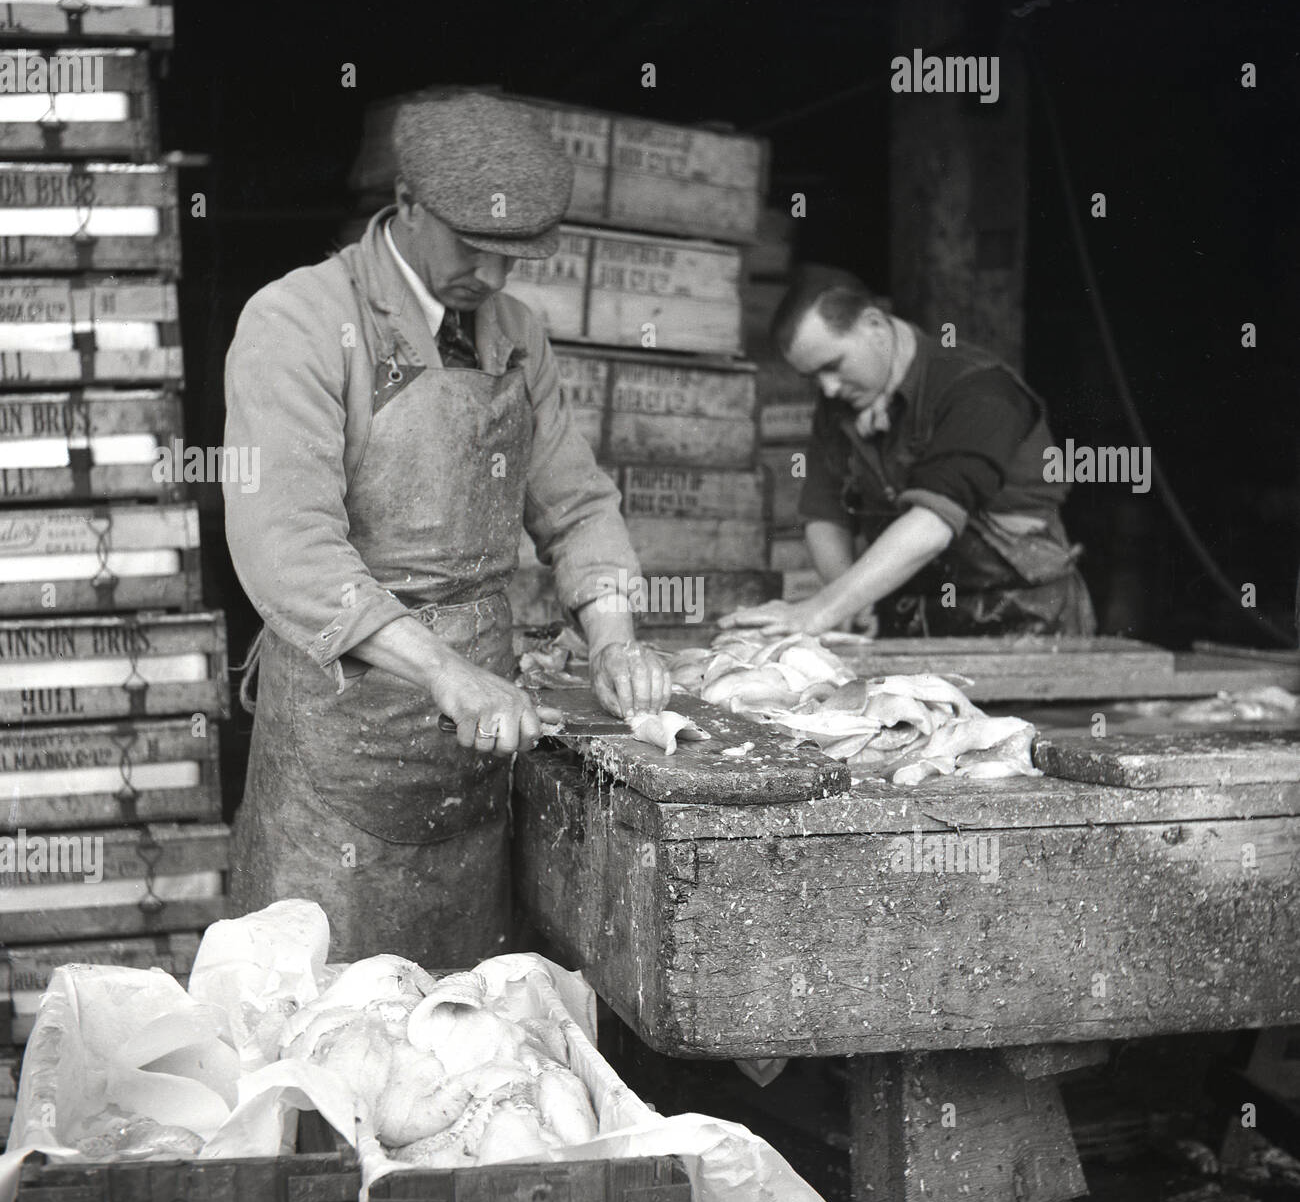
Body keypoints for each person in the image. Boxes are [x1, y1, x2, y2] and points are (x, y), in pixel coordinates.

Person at [223, 91, 670, 967]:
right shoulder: (299, 319)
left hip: (475, 745)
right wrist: (445, 673)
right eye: (475, 250)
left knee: (466, 1033)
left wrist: (614, 637)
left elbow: (576, 504)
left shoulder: (513, 332)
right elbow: (288, 550)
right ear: (409, 203)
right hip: (342, 745)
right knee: (330, 1032)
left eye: (516, 258)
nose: (495, 279)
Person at [721, 268, 1096, 638]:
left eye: (832, 366)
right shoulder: (838, 405)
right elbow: (825, 514)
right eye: (814, 378)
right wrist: (852, 601)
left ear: (874, 325)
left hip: (1026, 618)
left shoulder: (978, 389)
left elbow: (935, 521)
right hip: (914, 619)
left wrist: (822, 609)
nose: (829, 389)